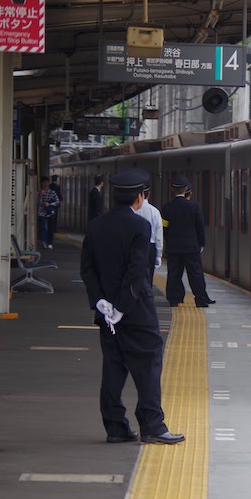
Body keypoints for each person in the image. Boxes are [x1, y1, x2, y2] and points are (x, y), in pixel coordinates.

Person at [80, 168, 185, 445]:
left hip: (105, 315)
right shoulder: (141, 227)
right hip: (136, 313)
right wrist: (122, 307)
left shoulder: (95, 227)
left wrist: (101, 302)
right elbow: (138, 272)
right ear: (139, 198)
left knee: (113, 368)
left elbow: (87, 269)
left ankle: (115, 426)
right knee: (148, 364)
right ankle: (152, 425)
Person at [160, 174, 215, 307]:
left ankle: (174, 298)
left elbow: (164, 227)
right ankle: (201, 299)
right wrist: (201, 243)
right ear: (186, 189)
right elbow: (200, 227)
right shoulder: (194, 207)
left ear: (172, 189)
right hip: (191, 247)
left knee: (173, 274)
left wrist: (170, 240)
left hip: (173, 247)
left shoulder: (167, 207)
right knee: (195, 273)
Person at [136, 180, 164, 279]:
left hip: (134, 247)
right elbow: (158, 236)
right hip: (150, 248)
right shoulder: (155, 212)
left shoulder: (132, 210)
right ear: (149, 194)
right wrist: (158, 256)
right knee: (148, 278)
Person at [37, 176, 60, 249]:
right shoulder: (39, 192)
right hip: (41, 212)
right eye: (44, 182)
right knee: (43, 228)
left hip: (50, 213)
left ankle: (50, 242)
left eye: (47, 182)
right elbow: (36, 203)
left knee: (50, 228)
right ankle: (44, 242)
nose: (45, 184)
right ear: (41, 183)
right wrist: (40, 196)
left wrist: (49, 204)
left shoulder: (52, 192)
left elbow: (57, 201)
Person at [48, 174, 63, 244]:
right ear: (56, 180)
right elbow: (59, 195)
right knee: (55, 217)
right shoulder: (57, 187)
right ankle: (54, 229)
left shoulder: (49, 186)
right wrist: (61, 199)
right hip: (55, 205)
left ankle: (50, 229)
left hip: (48, 205)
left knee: (49, 217)